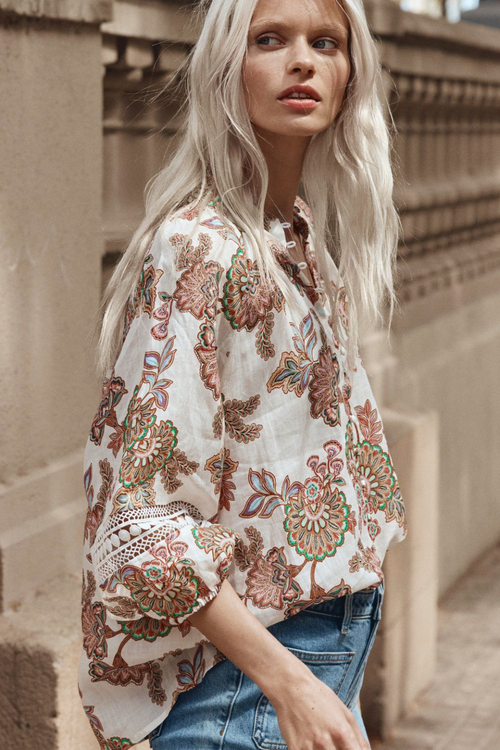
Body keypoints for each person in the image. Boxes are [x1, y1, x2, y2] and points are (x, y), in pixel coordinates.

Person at [78, 0, 408, 748]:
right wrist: (289, 683)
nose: (303, 61)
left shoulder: (297, 239)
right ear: (228, 66)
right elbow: (146, 526)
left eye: (326, 42)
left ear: (352, 73)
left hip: (302, 675)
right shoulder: (200, 249)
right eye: (271, 40)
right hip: (246, 691)